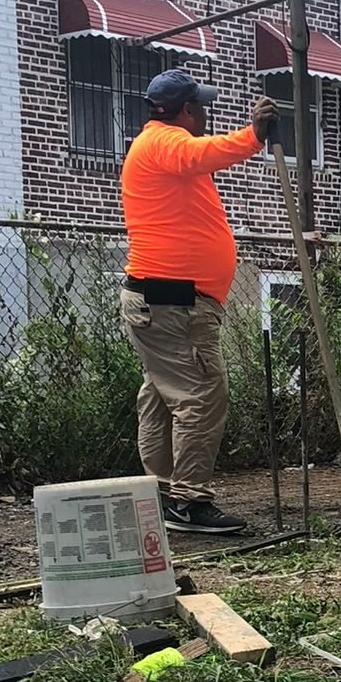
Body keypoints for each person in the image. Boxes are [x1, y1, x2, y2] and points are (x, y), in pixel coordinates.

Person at [119, 68, 278, 534]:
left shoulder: (155, 148)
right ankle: (187, 501)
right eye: (201, 106)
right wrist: (253, 136)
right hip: (173, 302)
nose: (205, 114)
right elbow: (199, 152)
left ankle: (164, 492)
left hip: (162, 298)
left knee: (162, 395)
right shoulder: (163, 143)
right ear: (187, 110)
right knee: (201, 394)